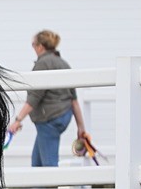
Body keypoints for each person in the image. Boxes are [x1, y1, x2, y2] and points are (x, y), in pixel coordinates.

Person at [7, 30, 88, 166]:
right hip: (62, 116)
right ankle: (38, 186)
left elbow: (34, 98)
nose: (33, 48)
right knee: (37, 162)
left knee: (49, 166)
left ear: (40, 47)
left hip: (49, 120)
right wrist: (81, 127)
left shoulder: (42, 64)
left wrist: (17, 120)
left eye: (33, 44)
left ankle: (49, 186)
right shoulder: (63, 64)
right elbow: (73, 100)